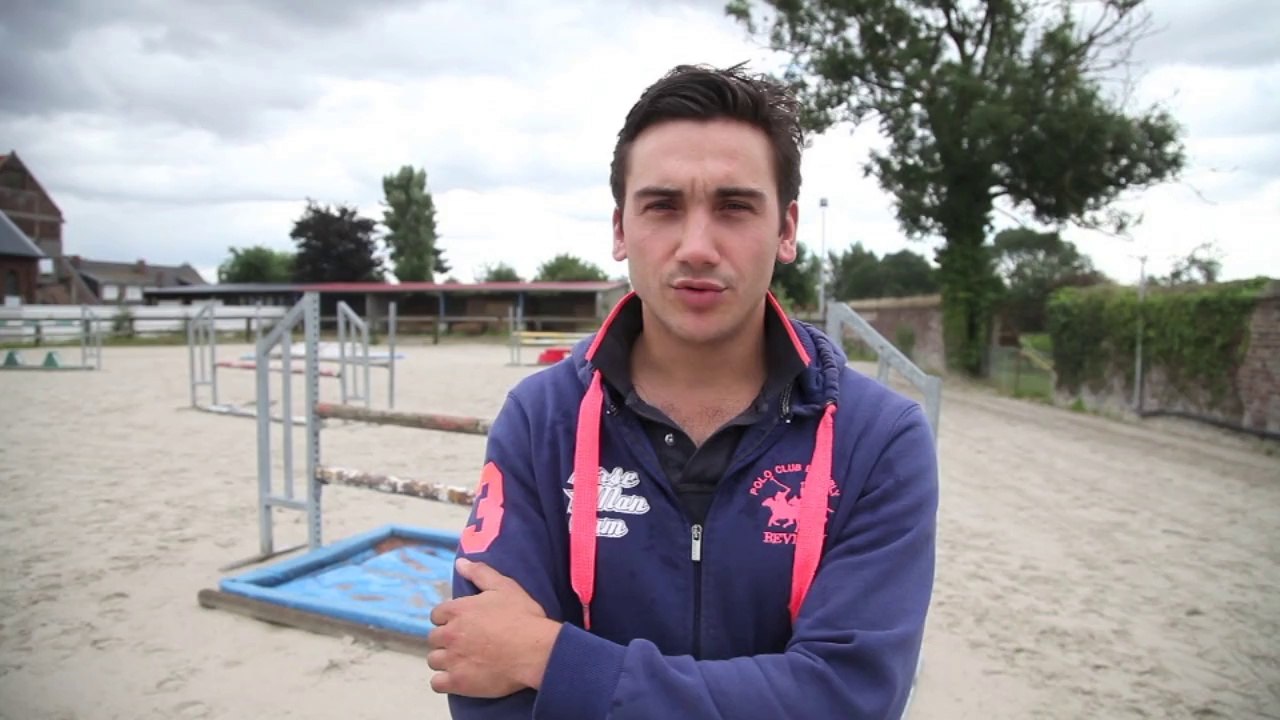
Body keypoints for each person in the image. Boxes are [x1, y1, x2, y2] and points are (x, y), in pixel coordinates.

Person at [427, 63, 939, 719]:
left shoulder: (880, 441)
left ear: (785, 230)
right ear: (620, 229)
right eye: (663, 206)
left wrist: (553, 658)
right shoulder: (540, 420)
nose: (697, 247)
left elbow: (847, 699)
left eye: (733, 206)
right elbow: (484, 686)